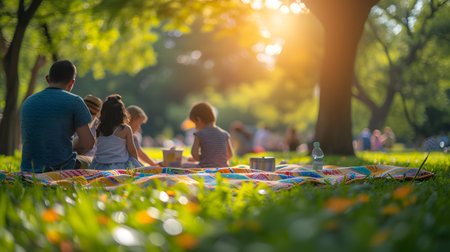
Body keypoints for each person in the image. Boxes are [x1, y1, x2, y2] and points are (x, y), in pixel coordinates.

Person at [20, 60, 94, 172]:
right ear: (71, 83)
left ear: (47, 79)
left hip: (29, 170)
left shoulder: (28, 101)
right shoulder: (75, 101)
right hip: (62, 169)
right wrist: (74, 143)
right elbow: (88, 144)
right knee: (93, 161)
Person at [89, 95, 142, 170]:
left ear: (103, 113)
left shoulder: (99, 128)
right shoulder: (125, 129)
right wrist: (136, 166)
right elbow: (132, 151)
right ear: (122, 113)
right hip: (118, 167)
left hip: (99, 166)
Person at [189, 102, 233, 167]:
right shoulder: (225, 134)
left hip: (205, 168)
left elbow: (194, 154)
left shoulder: (199, 134)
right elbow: (230, 155)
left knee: (185, 165)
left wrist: (204, 159)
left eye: (195, 123)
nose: (195, 127)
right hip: (223, 168)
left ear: (199, 119)